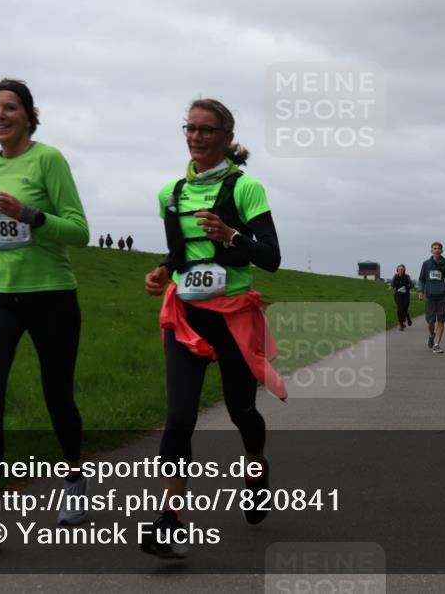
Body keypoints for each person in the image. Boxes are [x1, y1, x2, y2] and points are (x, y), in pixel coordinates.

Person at [143, 98, 286, 558]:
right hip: (186, 315)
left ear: (227, 138)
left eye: (206, 130)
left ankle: (256, 467)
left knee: (241, 411)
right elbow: (182, 253)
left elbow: (271, 257)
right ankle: (172, 519)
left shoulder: (246, 189)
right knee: (180, 415)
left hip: (234, 316)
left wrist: (229, 236)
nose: (196, 136)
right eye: (190, 128)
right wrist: (164, 270)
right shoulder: (171, 194)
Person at [0, 79, 90, 544]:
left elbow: (78, 230)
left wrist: (30, 212)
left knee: (56, 393)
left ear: (29, 115)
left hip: (51, 294)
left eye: (9, 108)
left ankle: (75, 479)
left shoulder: (48, 159)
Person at [418, 242, 445, 353]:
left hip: (442, 295)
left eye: (439, 248)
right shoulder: (426, 264)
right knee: (430, 321)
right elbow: (421, 279)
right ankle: (431, 335)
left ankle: (437, 345)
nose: (437, 250)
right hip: (430, 295)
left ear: (442, 251)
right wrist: (420, 291)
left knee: (441, 320)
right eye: (435, 248)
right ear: (431, 250)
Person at [390, 264, 414, 331]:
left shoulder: (407, 277)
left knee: (405, 309)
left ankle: (408, 318)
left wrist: (408, 287)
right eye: (399, 270)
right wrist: (391, 286)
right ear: (397, 270)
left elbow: (412, 284)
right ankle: (401, 324)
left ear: (404, 271)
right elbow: (392, 284)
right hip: (398, 295)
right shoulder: (395, 276)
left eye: (402, 270)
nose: (400, 271)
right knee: (399, 309)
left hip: (406, 295)